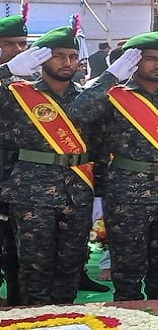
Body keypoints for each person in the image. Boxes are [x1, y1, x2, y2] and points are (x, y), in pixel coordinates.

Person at [68, 29, 158, 301]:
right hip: (127, 193)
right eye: (151, 59)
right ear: (134, 61)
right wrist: (111, 76)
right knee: (128, 269)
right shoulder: (113, 94)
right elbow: (77, 113)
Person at [0, 22, 97, 305]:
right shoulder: (16, 93)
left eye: (72, 56)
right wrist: (6, 71)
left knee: (71, 264)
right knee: (34, 267)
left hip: (78, 191)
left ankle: (65, 316)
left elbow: (101, 147)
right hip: (32, 193)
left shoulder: (87, 97)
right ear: (41, 58)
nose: (67, 62)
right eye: (58, 55)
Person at [0, 11, 28, 306]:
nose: (20, 51)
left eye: (23, 44)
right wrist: (6, 70)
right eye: (11, 44)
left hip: (18, 180)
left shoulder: (26, 84)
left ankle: (18, 307)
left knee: (16, 251)